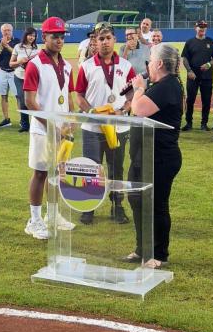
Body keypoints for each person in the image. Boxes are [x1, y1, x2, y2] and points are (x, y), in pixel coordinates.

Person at [124, 44, 183, 268]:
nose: (147, 64)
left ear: (159, 63)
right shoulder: (158, 86)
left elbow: (139, 110)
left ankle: (159, 254)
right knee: (137, 200)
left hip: (160, 157)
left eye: (150, 59)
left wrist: (139, 88)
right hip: (144, 155)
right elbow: (135, 109)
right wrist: (136, 93)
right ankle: (142, 249)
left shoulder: (168, 86)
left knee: (157, 204)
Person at [75, 23, 136, 225]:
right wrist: (90, 111)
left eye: (108, 38)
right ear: (95, 42)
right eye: (100, 39)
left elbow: (132, 93)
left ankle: (117, 206)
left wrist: (124, 109)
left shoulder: (126, 66)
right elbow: (79, 95)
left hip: (118, 126)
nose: (104, 42)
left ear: (114, 40)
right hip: (92, 127)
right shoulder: (86, 66)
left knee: (116, 168)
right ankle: (89, 207)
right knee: (92, 168)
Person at [23, 16, 75, 240]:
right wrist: (52, 125)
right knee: (41, 172)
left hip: (63, 130)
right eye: (55, 36)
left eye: (62, 36)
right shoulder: (35, 64)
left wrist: (71, 121)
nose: (59, 40)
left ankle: (52, 215)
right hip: (44, 129)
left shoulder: (67, 65)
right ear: (44, 37)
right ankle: (34, 220)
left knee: (56, 173)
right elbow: (30, 101)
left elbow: (68, 96)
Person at [181, 20, 213, 131]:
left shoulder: (210, 41)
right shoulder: (190, 42)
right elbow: (185, 58)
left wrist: (209, 64)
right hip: (193, 76)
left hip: (207, 76)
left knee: (206, 101)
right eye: (200, 26)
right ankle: (189, 123)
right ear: (195, 28)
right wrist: (189, 71)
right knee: (190, 100)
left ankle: (204, 124)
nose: (202, 28)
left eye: (204, 27)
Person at [9, 27, 39, 132]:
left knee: (33, 101)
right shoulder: (18, 47)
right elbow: (11, 64)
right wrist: (19, 62)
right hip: (19, 77)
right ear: (26, 35)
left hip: (31, 78)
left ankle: (36, 124)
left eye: (34, 36)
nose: (32, 37)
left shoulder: (37, 48)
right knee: (22, 100)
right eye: (30, 35)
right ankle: (25, 125)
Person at [0, 23, 20, 127]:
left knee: (18, 96)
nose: (6, 32)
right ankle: (6, 119)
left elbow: (19, 55)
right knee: (3, 95)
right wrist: (0, 48)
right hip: (3, 71)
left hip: (15, 71)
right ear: (1, 31)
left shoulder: (17, 42)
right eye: (4, 30)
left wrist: (7, 46)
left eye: (8, 30)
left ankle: (23, 120)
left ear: (12, 31)